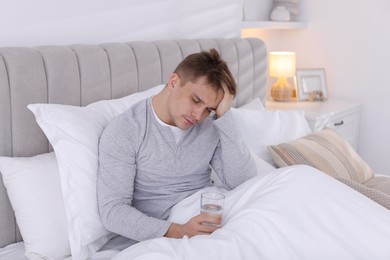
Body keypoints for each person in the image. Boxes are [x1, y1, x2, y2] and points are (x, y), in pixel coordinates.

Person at [97, 48, 256, 246]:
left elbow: (243, 182)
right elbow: (112, 211)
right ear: (174, 82)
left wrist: (224, 115)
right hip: (172, 230)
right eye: (196, 100)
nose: (198, 115)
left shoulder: (209, 126)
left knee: (297, 178)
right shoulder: (126, 130)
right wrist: (178, 231)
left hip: (213, 214)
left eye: (209, 109)